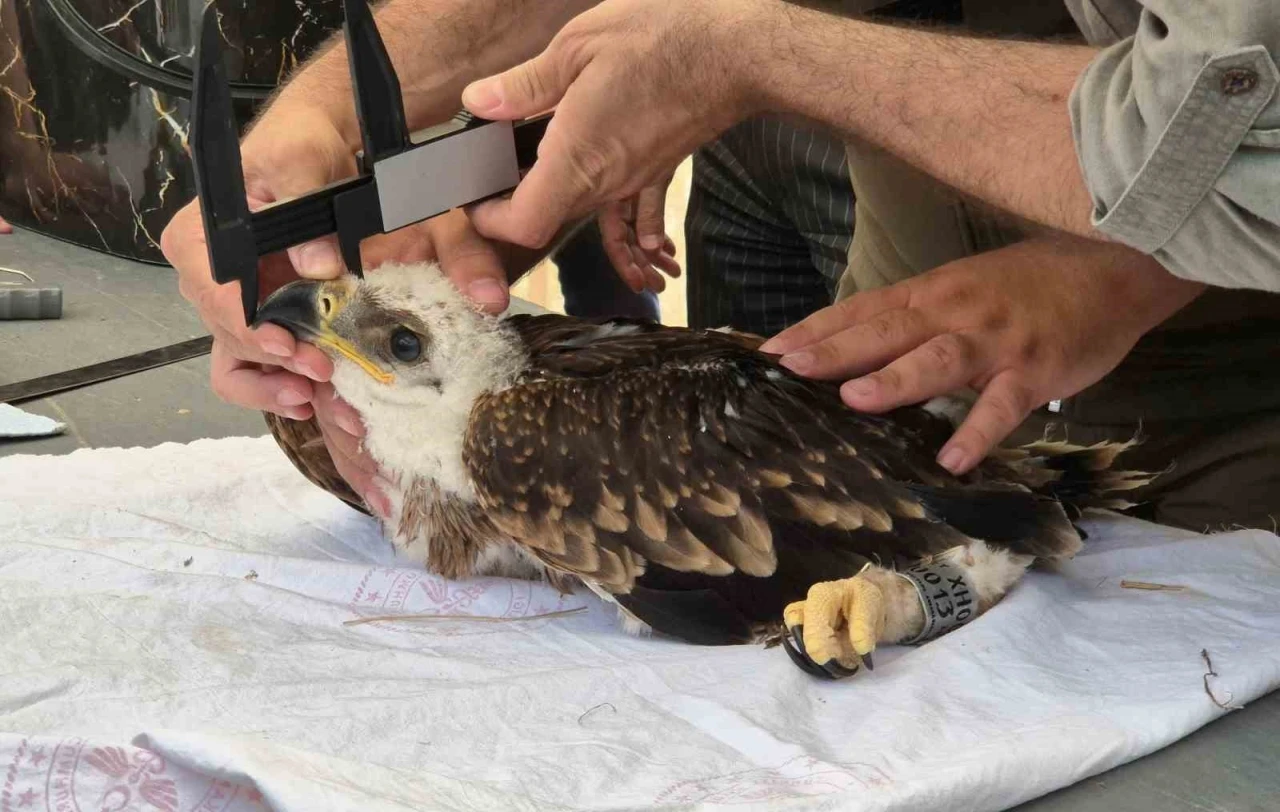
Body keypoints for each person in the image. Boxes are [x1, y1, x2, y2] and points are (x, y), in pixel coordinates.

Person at [161, 0, 1280, 526]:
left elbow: (1239, 126)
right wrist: (313, 127)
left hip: (1230, 375)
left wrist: (1121, 273)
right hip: (914, 344)